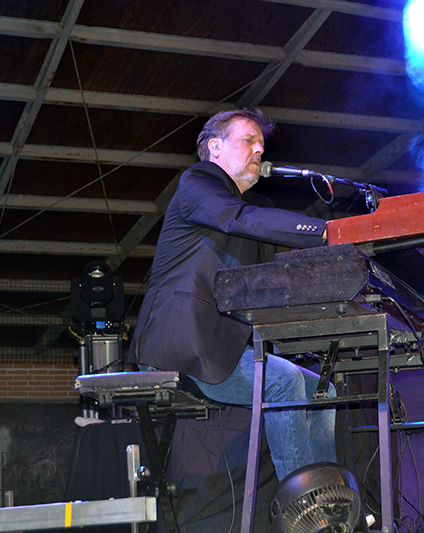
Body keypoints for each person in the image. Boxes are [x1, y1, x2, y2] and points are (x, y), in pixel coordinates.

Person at [130, 108, 337, 481]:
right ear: (215, 147)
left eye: (262, 145)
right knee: (283, 381)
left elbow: (271, 276)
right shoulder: (196, 182)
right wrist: (326, 230)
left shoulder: (252, 211)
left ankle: (327, 490)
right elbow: (236, 218)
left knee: (324, 391)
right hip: (179, 346)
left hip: (218, 347)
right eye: (249, 140)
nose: (259, 149)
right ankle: (303, 500)